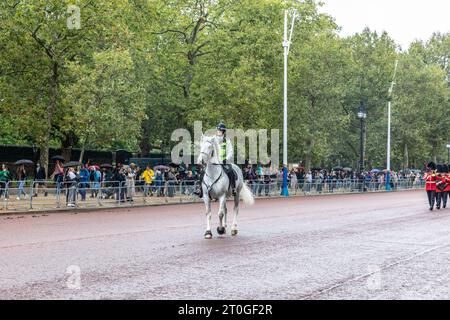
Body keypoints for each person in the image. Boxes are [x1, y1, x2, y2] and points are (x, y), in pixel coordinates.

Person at [195, 123, 236, 198]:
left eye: (219, 130)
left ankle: (233, 188)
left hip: (224, 161)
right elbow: (206, 144)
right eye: (217, 130)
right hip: (213, 161)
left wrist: (226, 159)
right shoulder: (212, 139)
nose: (218, 131)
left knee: (230, 170)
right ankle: (200, 189)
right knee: (203, 172)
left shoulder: (227, 141)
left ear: (223, 132)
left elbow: (230, 152)